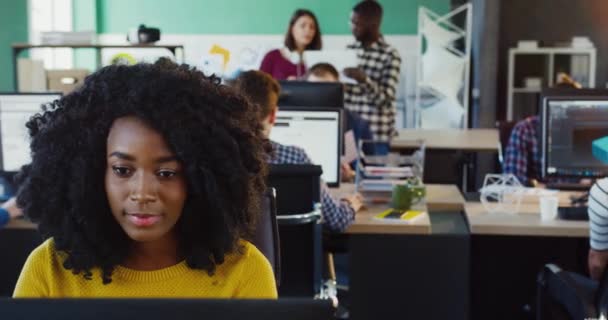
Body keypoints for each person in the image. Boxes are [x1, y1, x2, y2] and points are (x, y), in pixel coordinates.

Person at [13, 61, 277, 298]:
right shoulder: (49, 269)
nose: (142, 192)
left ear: (202, 181)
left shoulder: (244, 274)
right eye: (122, 170)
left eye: (166, 173)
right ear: (92, 174)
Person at [233, 70, 362, 233]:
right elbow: (336, 220)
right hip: (295, 256)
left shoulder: (217, 158)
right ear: (273, 115)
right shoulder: (297, 158)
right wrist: (350, 205)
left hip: (238, 257)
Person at [503, 74, 582, 186]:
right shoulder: (524, 129)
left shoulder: (584, 133)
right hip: (539, 200)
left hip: (579, 199)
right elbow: (513, 180)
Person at [343, 0, 401, 141]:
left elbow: (386, 101)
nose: (352, 27)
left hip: (376, 135)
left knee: (373, 164)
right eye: (351, 22)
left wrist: (364, 80)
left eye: (357, 23)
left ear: (373, 25)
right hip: (348, 132)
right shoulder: (349, 50)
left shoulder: (390, 54)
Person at [305, 63, 373, 182]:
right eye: (314, 89)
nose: (320, 96)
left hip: (344, 190)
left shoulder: (356, 123)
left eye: (326, 89)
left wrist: (352, 175)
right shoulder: (295, 122)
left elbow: (372, 172)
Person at [259, 9, 322, 80]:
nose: (308, 30)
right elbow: (259, 86)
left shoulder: (320, 61)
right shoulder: (272, 57)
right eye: (303, 26)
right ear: (292, 29)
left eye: (312, 27)